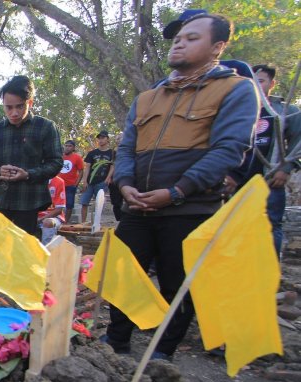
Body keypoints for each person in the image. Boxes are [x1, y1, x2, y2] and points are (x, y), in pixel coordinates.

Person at [102, 13, 259, 361]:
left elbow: (229, 150)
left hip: (189, 208)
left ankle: (162, 352)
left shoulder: (236, 90)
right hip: (138, 205)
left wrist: (176, 192)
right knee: (123, 275)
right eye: (177, 38)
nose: (180, 42)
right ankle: (116, 341)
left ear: (218, 47)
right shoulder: (147, 98)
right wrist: (126, 185)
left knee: (179, 284)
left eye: (191, 37)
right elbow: (127, 147)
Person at [0, 75, 63, 236]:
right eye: (8, 107)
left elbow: (55, 162)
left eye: (19, 107)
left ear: (30, 103)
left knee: (24, 250)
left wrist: (28, 174)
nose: (14, 113)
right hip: (0, 200)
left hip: (29, 201)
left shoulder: (45, 127)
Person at [250, 64, 301, 255]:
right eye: (251, 80)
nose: (255, 84)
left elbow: (298, 141)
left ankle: (269, 274)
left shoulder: (285, 110)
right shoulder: (241, 108)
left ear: (272, 84)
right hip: (240, 180)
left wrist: (285, 168)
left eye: (260, 81)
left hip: (270, 178)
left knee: (271, 224)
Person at [78, 130, 114, 223]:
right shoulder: (92, 153)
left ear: (107, 139)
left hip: (102, 181)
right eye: (99, 138)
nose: (100, 140)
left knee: (99, 204)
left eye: (103, 138)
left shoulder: (112, 153)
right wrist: (85, 181)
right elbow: (87, 167)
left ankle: (96, 223)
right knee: (84, 202)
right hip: (90, 182)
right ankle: (83, 223)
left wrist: (108, 178)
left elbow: (112, 167)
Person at [57, 139, 83, 223]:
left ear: (73, 148)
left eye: (70, 146)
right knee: (56, 204)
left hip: (70, 185)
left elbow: (81, 171)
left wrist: (76, 184)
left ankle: (65, 222)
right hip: (59, 185)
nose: (67, 148)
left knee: (69, 204)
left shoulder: (77, 157)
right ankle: (57, 220)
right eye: (66, 145)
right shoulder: (59, 156)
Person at [38, 174, 66, 244]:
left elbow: (59, 210)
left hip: (54, 217)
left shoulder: (59, 182)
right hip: (34, 215)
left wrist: (40, 219)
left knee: (47, 222)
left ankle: (47, 251)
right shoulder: (31, 180)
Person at [109, 132, 125, 221]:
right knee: (116, 202)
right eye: (117, 138)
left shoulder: (130, 150)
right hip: (115, 179)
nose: (118, 140)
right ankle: (119, 219)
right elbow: (112, 165)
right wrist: (109, 177)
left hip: (126, 177)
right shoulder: (114, 151)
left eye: (120, 138)